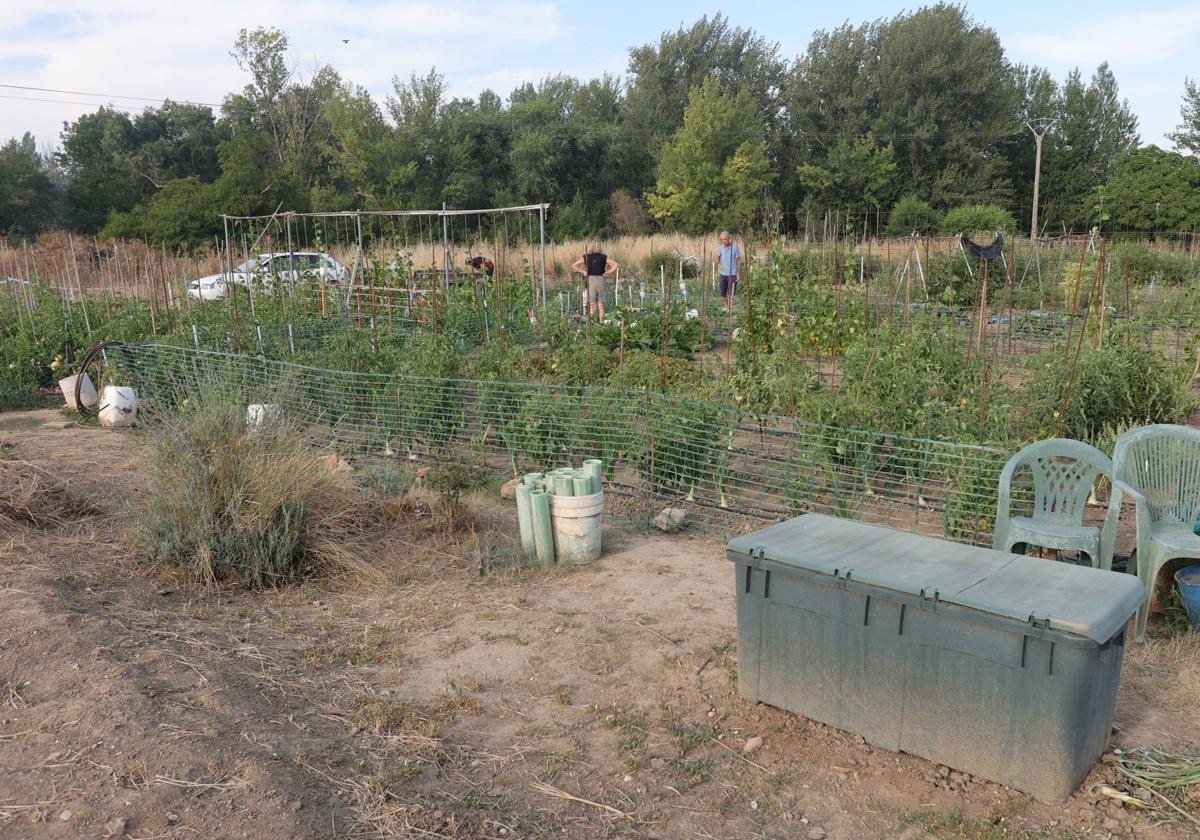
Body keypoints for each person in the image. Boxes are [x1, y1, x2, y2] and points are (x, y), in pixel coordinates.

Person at [571, 242, 618, 321]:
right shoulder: (604, 257)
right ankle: (601, 323)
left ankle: (592, 324)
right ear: (600, 247)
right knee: (601, 304)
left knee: (592, 304)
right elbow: (616, 265)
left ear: (591, 247)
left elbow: (574, 265)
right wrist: (608, 272)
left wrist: (583, 272)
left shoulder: (586, 257)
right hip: (601, 280)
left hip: (591, 280)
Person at [716, 231, 742, 313]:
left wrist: (738, 273)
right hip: (723, 273)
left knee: (730, 293)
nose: (723, 241)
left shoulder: (735, 247)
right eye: (722, 239)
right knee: (723, 293)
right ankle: (726, 306)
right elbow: (717, 257)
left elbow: (738, 261)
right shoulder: (721, 248)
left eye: (725, 239)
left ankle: (729, 309)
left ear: (729, 238)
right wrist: (719, 264)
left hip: (733, 273)